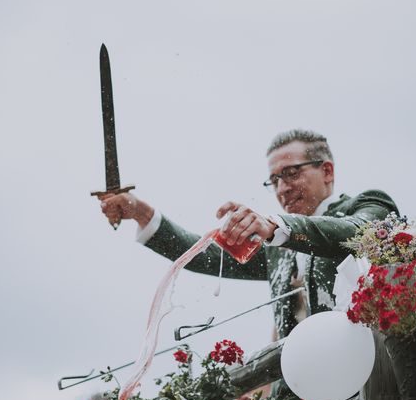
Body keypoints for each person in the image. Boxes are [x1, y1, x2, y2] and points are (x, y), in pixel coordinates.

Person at [100, 129, 398, 340]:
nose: (282, 189)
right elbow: (207, 259)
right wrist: (143, 214)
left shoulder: (370, 205)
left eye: (292, 173)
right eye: (274, 180)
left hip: (365, 388)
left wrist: (275, 225)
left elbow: (358, 233)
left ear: (328, 171)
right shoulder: (276, 248)